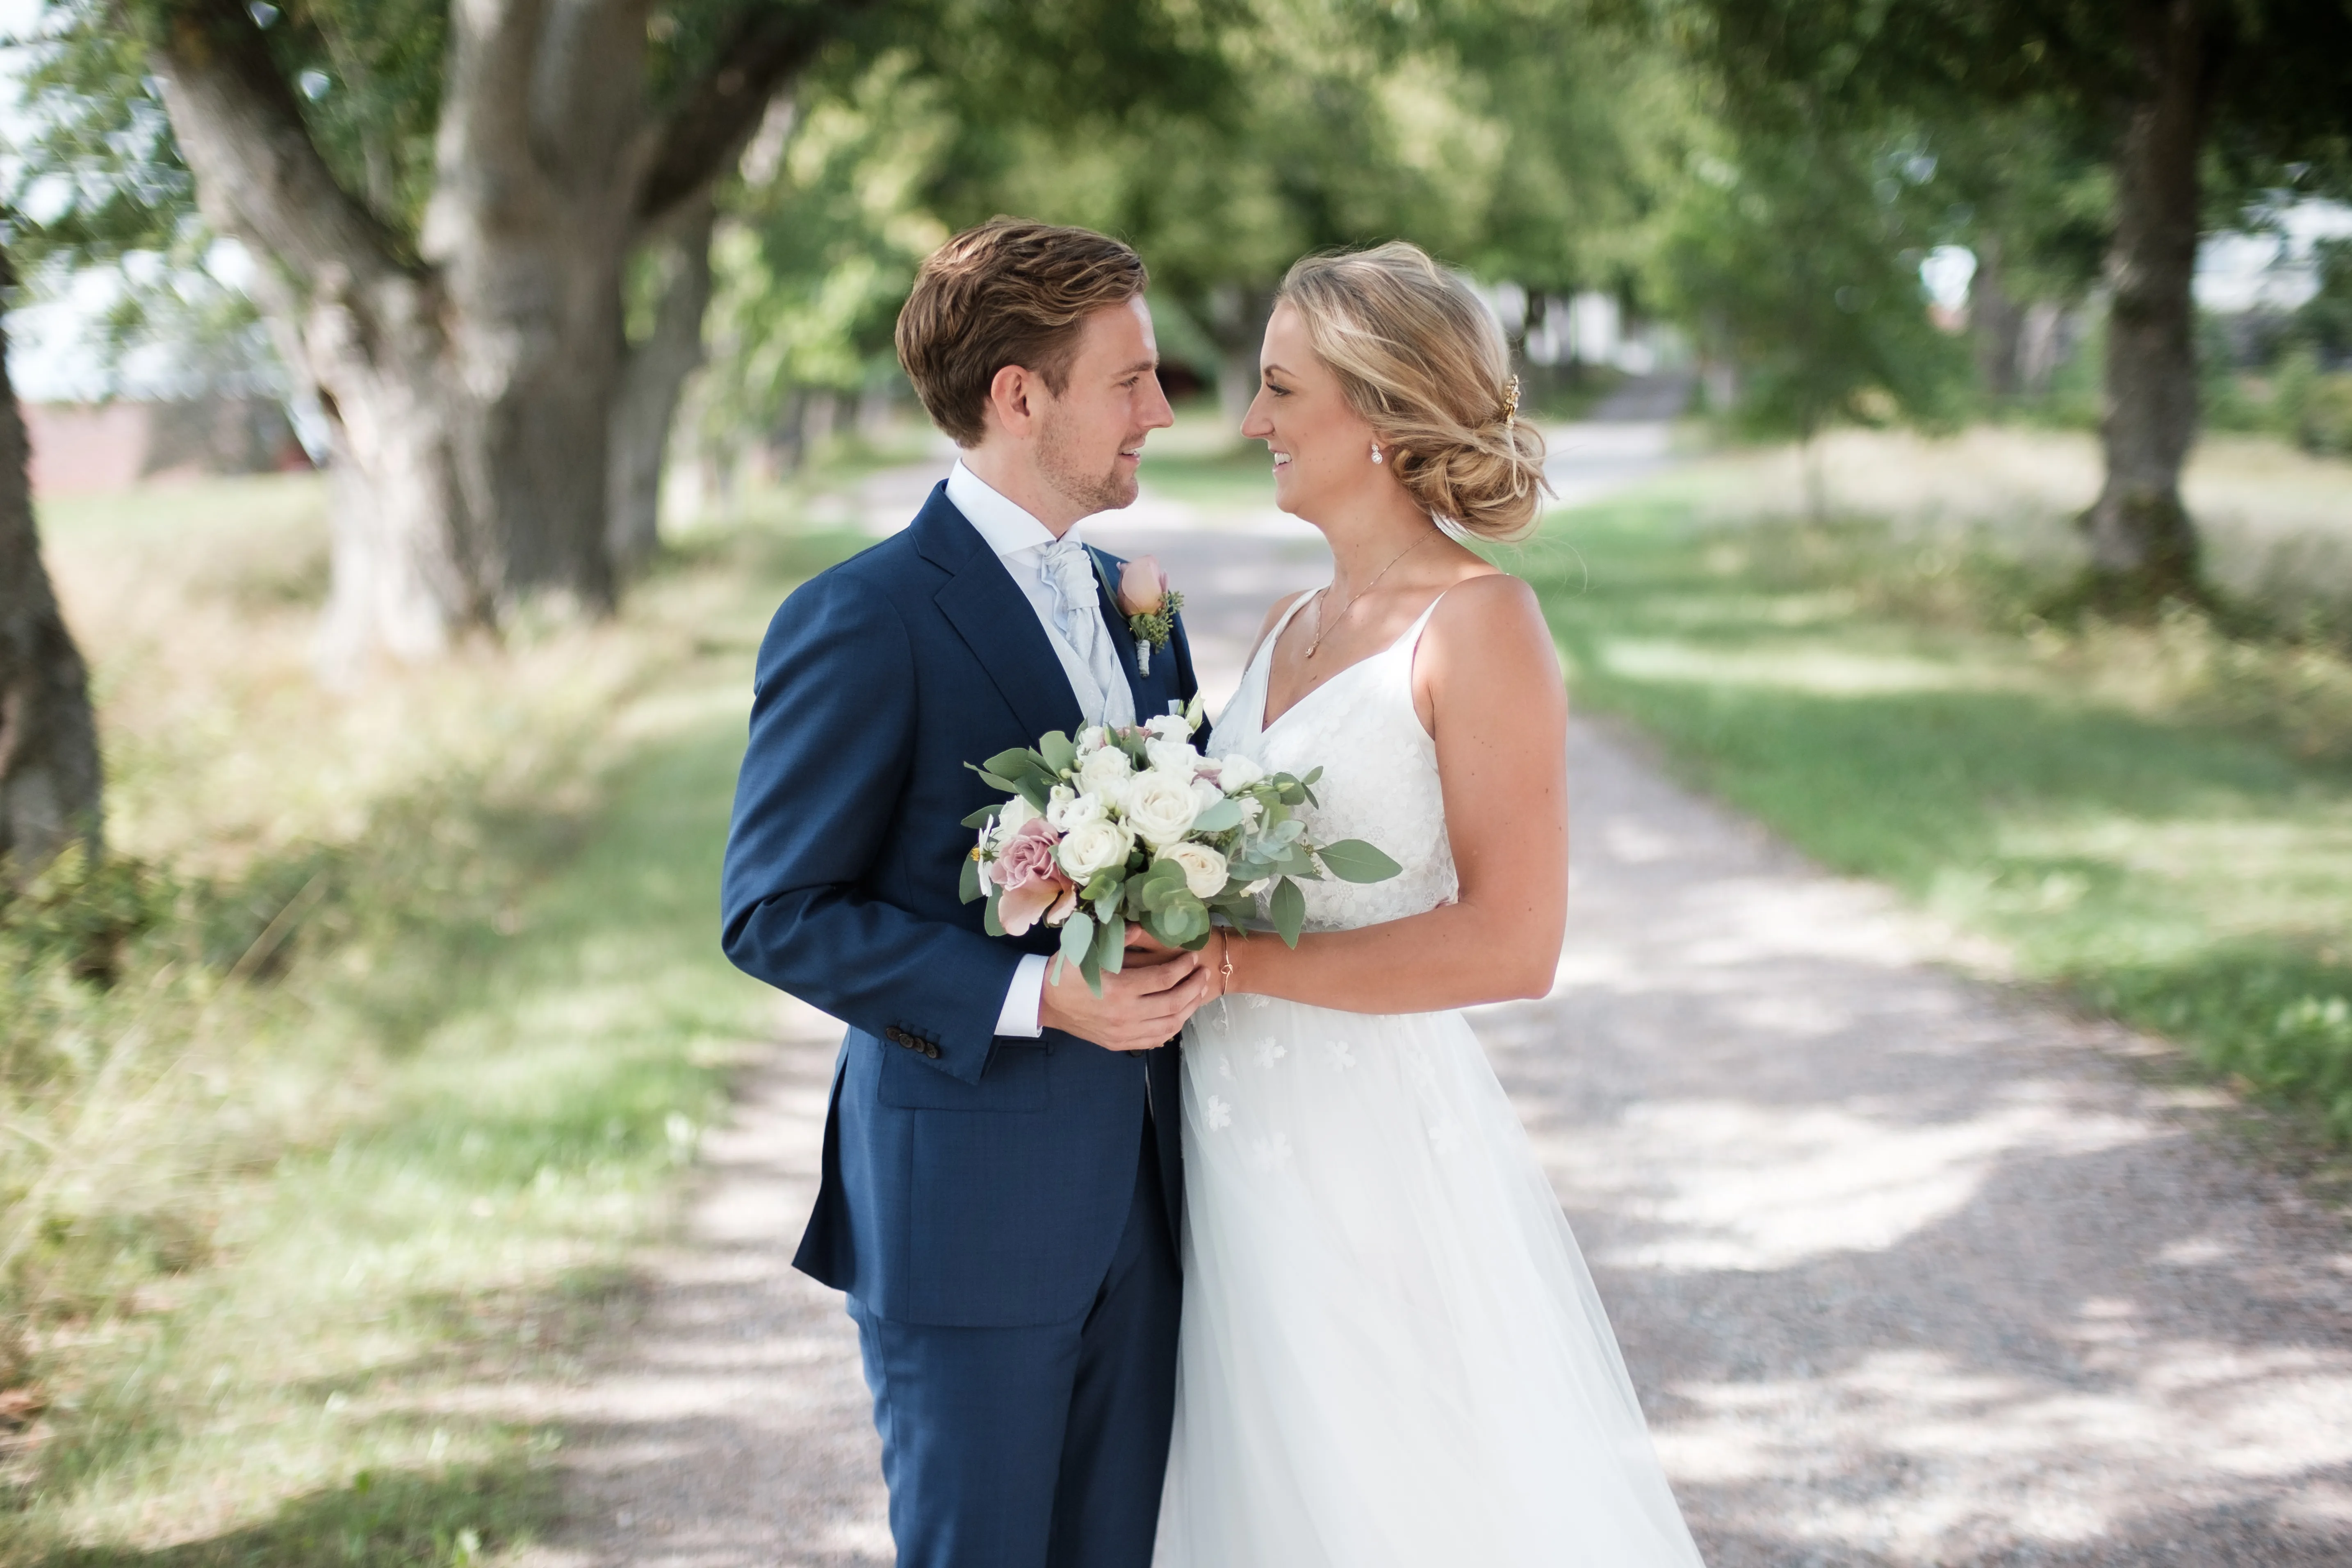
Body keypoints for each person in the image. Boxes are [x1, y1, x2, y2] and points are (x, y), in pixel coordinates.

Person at [1151, 242, 1709, 1565]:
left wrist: (1233, 970)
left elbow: (1516, 944)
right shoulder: (1295, 623)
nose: (1253, 420)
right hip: (1224, 1136)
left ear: (1382, 414)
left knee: (1392, 1488)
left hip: (1363, 1142)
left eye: (1283, 391)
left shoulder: (1481, 627)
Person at [720, 218, 1217, 1568]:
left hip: (1152, 1198)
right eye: (1131, 380)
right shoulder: (864, 615)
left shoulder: (1137, 604)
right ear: (1019, 395)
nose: (1162, 412)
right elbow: (774, 909)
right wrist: (1037, 994)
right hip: (970, 1212)